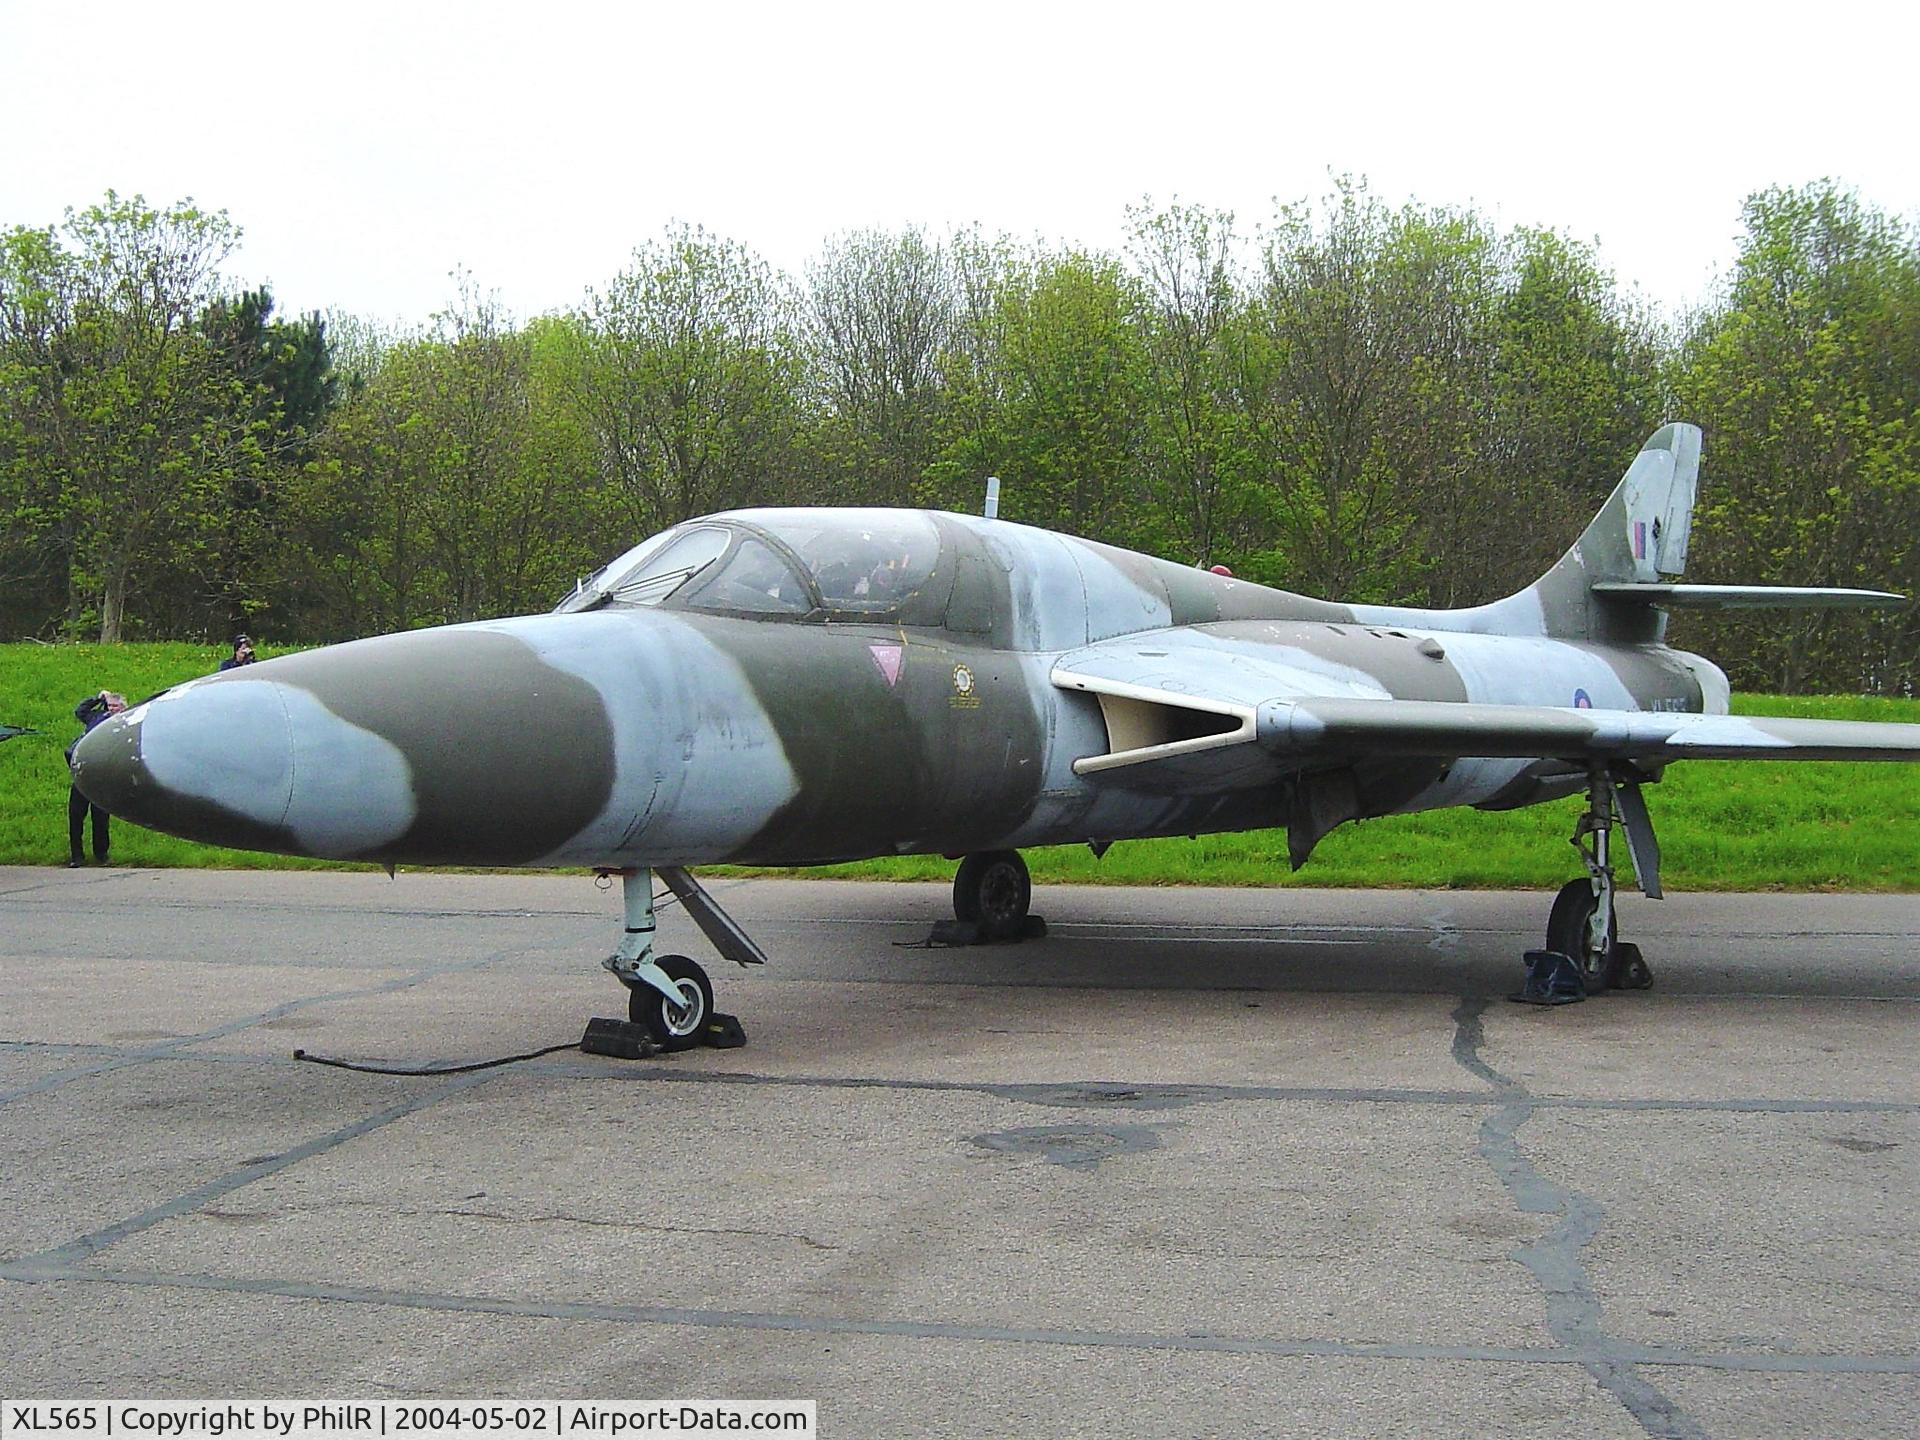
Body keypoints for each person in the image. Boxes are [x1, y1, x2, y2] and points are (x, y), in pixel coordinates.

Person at [67, 690, 126, 867]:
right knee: (76, 816)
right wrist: (97, 698)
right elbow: (80, 711)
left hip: (102, 776)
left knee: (100, 818)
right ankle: (76, 856)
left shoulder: (124, 724)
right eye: (110, 705)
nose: (113, 709)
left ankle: (101, 855)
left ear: (123, 708)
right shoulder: (97, 717)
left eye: (116, 706)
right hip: (83, 772)